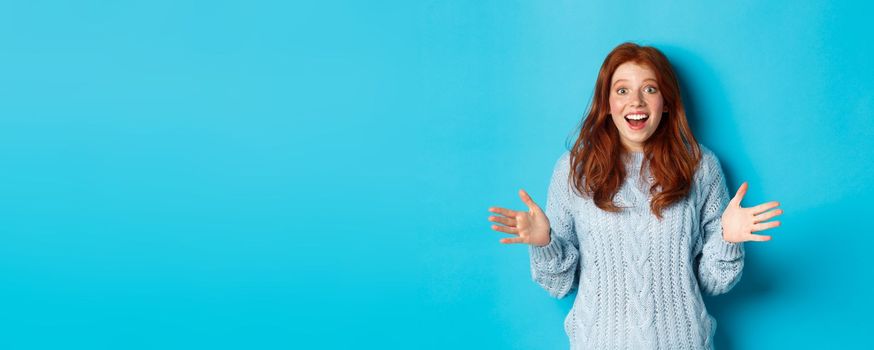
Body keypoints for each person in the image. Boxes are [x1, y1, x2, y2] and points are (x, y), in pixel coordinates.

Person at [487, 42, 783, 350]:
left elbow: (712, 282)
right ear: (606, 103)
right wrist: (545, 244)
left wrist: (728, 239)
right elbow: (560, 284)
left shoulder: (701, 167)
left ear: (666, 101)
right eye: (622, 90)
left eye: (650, 89)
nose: (636, 102)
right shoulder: (573, 170)